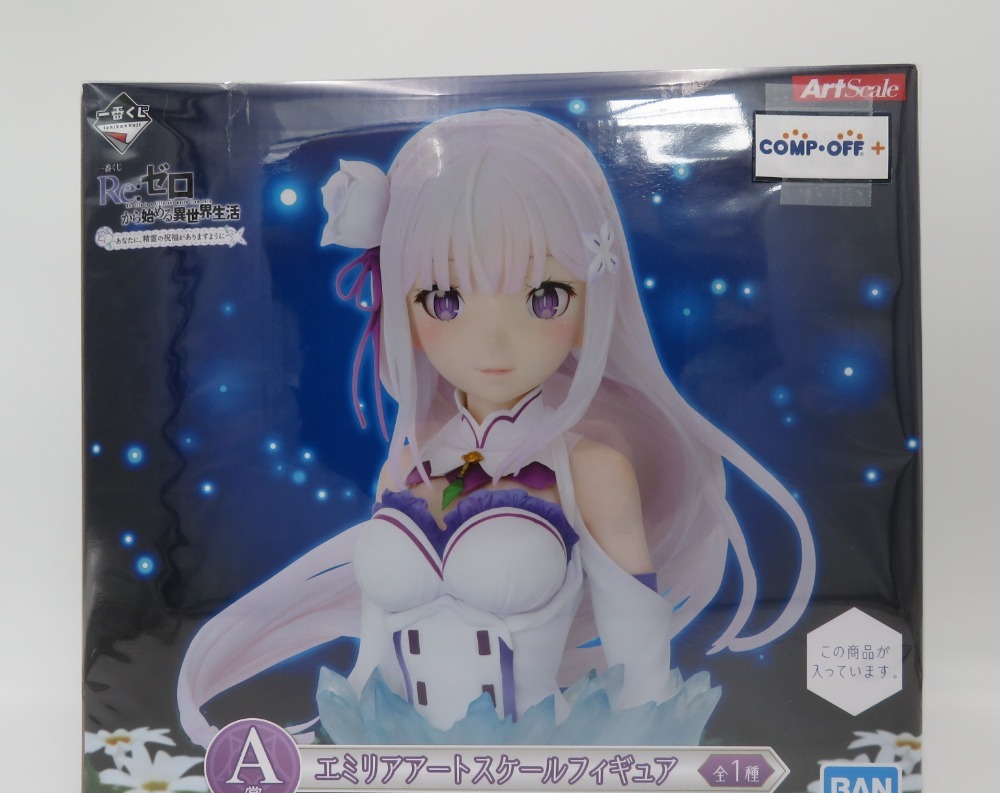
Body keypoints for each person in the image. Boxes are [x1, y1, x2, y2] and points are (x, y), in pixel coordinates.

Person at [177, 109, 815, 747]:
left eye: (544, 298)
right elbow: (374, 648)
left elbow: (639, 660)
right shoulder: (408, 463)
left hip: (535, 755)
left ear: (591, 299)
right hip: (393, 752)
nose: (493, 341)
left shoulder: (591, 468)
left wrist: (643, 758)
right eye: (445, 300)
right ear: (403, 304)